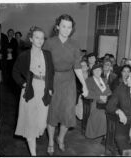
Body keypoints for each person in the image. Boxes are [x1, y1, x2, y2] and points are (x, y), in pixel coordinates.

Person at [43, 14, 88, 155]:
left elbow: (77, 67)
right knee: (52, 113)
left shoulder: (75, 44)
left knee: (67, 114)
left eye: (69, 27)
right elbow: (43, 65)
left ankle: (60, 138)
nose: (66, 29)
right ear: (57, 27)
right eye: (63, 26)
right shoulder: (49, 43)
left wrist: (84, 85)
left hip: (69, 81)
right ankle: (50, 140)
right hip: (52, 79)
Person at [12, 26, 54, 156]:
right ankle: (33, 154)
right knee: (30, 124)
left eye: (42, 38)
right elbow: (15, 72)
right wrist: (23, 83)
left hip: (44, 90)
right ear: (31, 39)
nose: (40, 40)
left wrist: (51, 88)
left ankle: (34, 137)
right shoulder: (24, 55)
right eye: (37, 37)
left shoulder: (47, 54)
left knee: (41, 125)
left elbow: (51, 73)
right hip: (30, 90)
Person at [85, 63, 112, 139]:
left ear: (102, 71)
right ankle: (103, 134)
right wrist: (99, 97)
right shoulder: (88, 80)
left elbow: (109, 91)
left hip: (106, 103)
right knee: (104, 115)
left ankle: (109, 134)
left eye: (99, 70)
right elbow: (87, 94)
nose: (98, 71)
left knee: (114, 114)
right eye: (95, 70)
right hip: (95, 104)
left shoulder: (104, 80)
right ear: (92, 71)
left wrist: (107, 97)